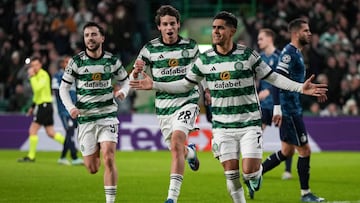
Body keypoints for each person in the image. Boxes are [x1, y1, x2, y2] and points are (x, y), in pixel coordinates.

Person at [130, 11, 328, 203]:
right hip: (222, 126)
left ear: (232, 30)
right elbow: (184, 84)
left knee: (249, 172)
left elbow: (274, 78)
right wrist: (154, 84)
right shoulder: (204, 60)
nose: (215, 31)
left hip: (249, 123)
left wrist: (301, 87)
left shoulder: (248, 56)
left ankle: (256, 174)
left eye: (220, 28)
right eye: (214, 28)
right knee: (231, 176)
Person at [131, 5, 200, 203]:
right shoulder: (150, 49)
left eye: (172, 23)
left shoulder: (191, 46)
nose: (169, 27)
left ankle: (171, 198)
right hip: (163, 107)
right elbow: (134, 75)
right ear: (159, 27)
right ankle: (191, 152)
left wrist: (209, 90)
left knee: (178, 141)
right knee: (177, 148)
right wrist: (135, 74)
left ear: (178, 25)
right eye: (165, 24)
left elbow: (200, 73)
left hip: (187, 101)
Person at [59, 22, 130, 203]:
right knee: (92, 168)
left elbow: (126, 80)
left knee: (109, 157)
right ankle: (96, 147)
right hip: (86, 120)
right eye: (87, 35)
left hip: (107, 117)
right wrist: (71, 108)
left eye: (93, 34)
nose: (90, 38)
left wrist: (122, 91)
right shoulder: (76, 62)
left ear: (102, 38)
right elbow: (63, 89)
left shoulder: (112, 60)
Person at [261, 18, 325, 202]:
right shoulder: (289, 54)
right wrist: (277, 108)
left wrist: (311, 90)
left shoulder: (296, 53)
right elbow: (276, 80)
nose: (309, 33)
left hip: (292, 107)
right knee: (304, 151)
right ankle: (306, 194)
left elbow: (293, 83)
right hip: (289, 111)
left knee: (287, 151)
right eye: (306, 30)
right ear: (296, 33)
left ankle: (255, 174)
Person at [257, 28, 293, 184]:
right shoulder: (260, 58)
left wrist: (268, 91)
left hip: (279, 104)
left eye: (261, 38)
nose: (259, 41)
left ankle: (287, 170)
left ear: (270, 38)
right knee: (256, 134)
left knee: (286, 139)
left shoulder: (280, 57)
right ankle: (255, 166)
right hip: (264, 105)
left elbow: (284, 80)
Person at [18, 56, 65, 162]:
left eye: (36, 65)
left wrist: (32, 77)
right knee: (51, 133)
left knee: (33, 130)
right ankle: (69, 145)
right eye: (32, 65)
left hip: (45, 106)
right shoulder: (39, 74)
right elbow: (37, 94)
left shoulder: (43, 75)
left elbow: (37, 88)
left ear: (40, 65)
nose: (34, 67)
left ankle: (31, 156)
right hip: (43, 105)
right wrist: (32, 106)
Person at [52, 55, 83, 166]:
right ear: (62, 64)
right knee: (69, 131)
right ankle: (74, 157)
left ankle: (63, 157)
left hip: (74, 110)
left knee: (70, 132)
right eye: (66, 62)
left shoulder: (75, 77)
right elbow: (57, 93)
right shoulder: (58, 76)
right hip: (64, 110)